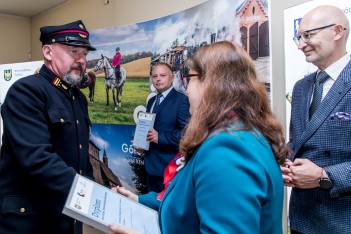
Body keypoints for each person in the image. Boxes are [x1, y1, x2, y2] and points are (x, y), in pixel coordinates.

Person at [109, 41, 289, 233]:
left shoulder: (227, 149)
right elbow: (187, 200)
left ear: (212, 83)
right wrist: (138, 199)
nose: (186, 90)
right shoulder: (239, 132)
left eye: (190, 79)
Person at [0, 20, 96, 234]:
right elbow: (37, 159)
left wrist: (95, 190)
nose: (81, 60)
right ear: (48, 52)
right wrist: (91, 197)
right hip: (31, 222)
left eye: (85, 54)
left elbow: (82, 157)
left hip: (67, 218)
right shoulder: (26, 92)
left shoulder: (78, 98)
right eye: (74, 51)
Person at [282, 5, 351, 234]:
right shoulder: (301, 88)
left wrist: (324, 176)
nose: (301, 44)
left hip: (342, 221)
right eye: (299, 37)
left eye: (308, 35)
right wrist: (284, 162)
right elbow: (299, 144)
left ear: (337, 31)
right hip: (302, 218)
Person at [143, 62, 190, 192]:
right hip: (149, 166)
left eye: (162, 75)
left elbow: (187, 134)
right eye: (155, 76)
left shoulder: (182, 101)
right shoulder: (152, 101)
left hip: (168, 169)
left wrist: (161, 137)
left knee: (163, 209)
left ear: (172, 77)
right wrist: (140, 143)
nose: (158, 79)